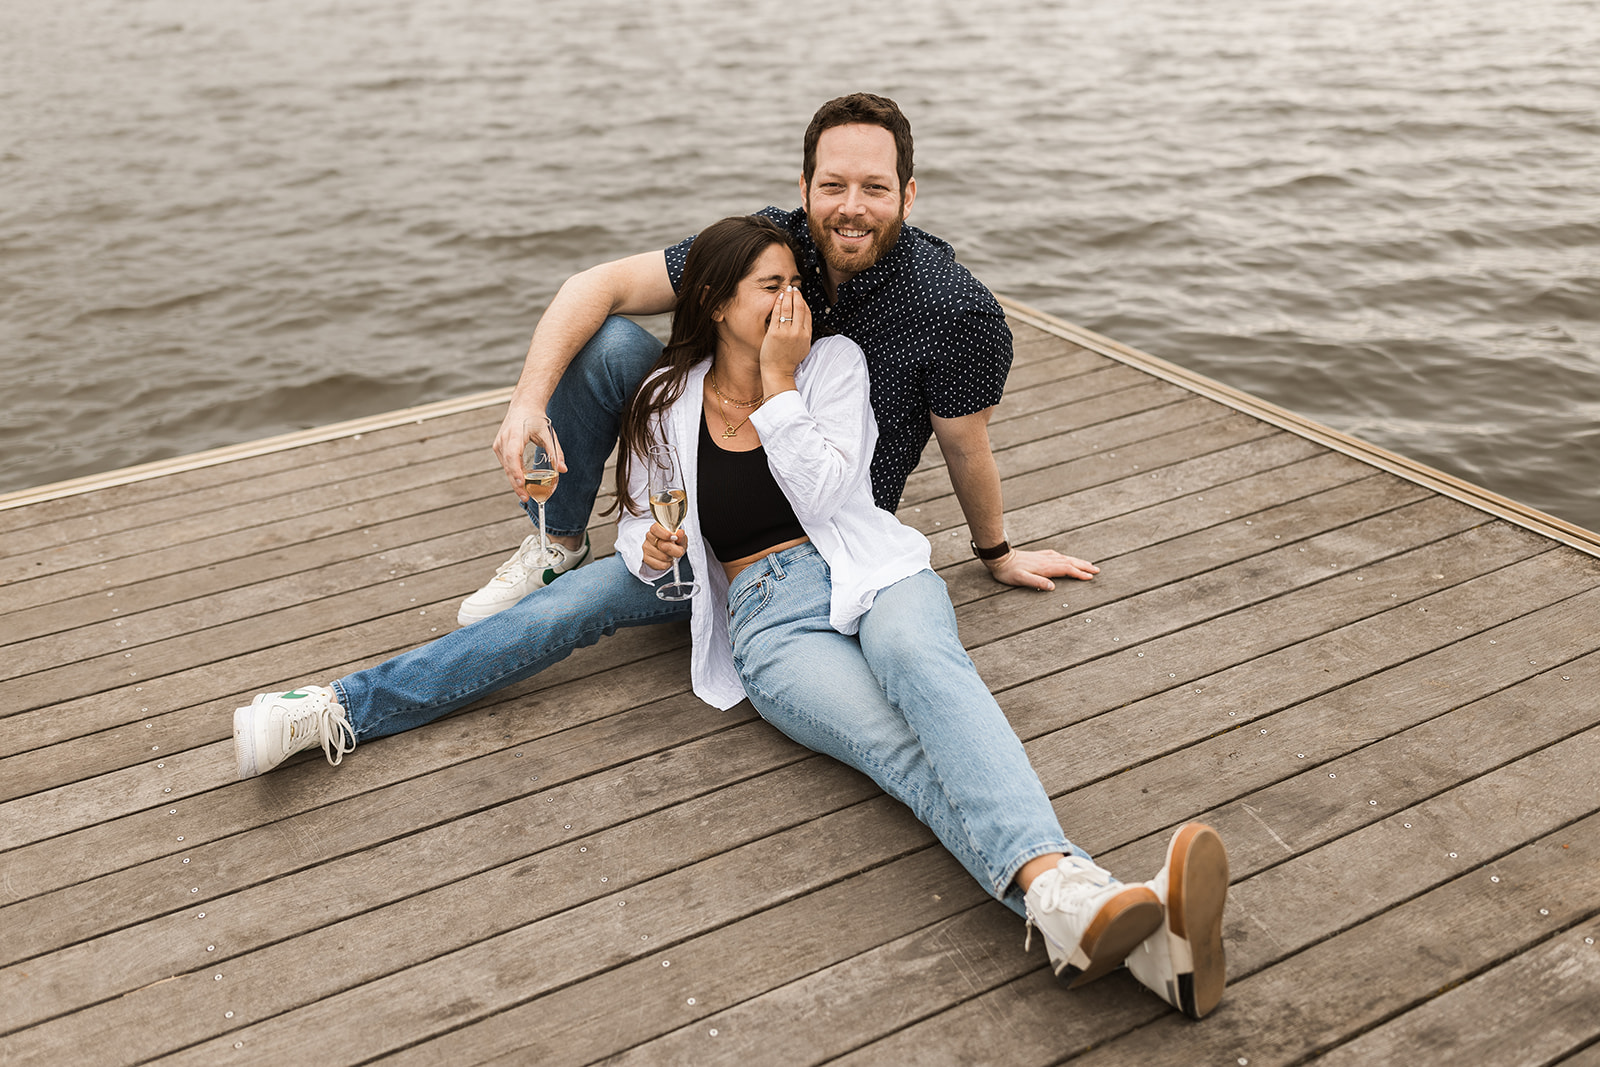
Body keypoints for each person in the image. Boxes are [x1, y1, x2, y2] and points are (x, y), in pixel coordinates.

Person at [620, 215, 1231, 1015]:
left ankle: (1077, 909)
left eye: (796, 286)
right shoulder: (665, 398)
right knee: (901, 750)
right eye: (771, 288)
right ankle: (1126, 933)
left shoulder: (831, 364)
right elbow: (637, 517)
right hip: (770, 619)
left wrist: (779, 384)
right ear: (714, 299)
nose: (791, 302)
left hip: (873, 567)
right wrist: (651, 548)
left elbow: (826, 497)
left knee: (925, 671)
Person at [455, 91, 1097, 627]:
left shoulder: (955, 308)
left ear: (907, 195)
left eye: (874, 187)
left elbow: (966, 444)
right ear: (804, 188)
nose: (851, 207)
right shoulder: (769, 246)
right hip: (703, 478)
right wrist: (526, 405)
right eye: (832, 186)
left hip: (813, 529)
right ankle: (557, 544)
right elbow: (597, 284)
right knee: (611, 342)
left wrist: (997, 553)